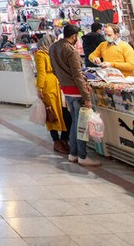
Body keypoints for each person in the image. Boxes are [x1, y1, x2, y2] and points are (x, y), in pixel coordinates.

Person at [49, 24, 99, 167]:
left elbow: (54, 70)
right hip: (76, 91)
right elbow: (77, 75)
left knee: (74, 122)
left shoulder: (53, 48)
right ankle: (82, 155)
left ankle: (73, 154)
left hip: (66, 89)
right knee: (81, 124)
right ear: (73, 36)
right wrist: (87, 97)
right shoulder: (71, 51)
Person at [35, 33, 69, 154]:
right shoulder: (41, 54)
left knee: (62, 113)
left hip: (55, 84)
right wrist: (39, 88)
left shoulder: (51, 53)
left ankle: (63, 139)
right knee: (52, 113)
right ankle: (57, 141)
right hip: (48, 86)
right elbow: (41, 72)